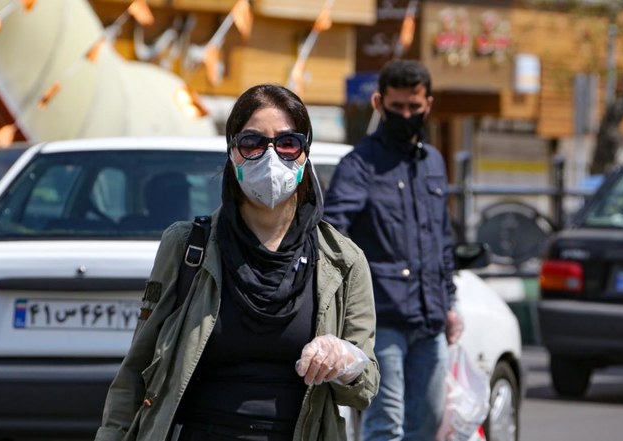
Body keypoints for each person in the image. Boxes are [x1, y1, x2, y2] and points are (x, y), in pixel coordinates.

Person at [94, 84, 379, 441]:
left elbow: (364, 389)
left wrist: (346, 362)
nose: (271, 157)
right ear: (233, 152)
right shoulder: (187, 246)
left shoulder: (342, 261)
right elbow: (136, 370)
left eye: (287, 143)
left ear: (305, 154)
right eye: (253, 143)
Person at [323, 60, 463, 441]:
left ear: (428, 104)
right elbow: (333, 236)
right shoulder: (360, 164)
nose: (406, 115)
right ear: (379, 103)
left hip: (430, 320)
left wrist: (450, 304)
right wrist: (345, 306)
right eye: (397, 107)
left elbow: (442, 240)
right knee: (385, 426)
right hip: (383, 321)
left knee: (429, 421)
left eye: (414, 108)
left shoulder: (433, 161)